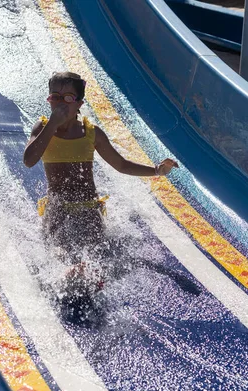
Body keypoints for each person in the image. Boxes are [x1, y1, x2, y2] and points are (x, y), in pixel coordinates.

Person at [23, 72, 178, 295]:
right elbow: (29, 160)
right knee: (58, 254)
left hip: (88, 209)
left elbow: (121, 165)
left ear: (79, 104)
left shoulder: (91, 133)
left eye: (67, 98)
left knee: (96, 257)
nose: (60, 103)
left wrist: (157, 171)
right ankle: (62, 278)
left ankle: (85, 276)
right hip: (57, 208)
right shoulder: (43, 128)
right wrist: (52, 125)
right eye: (54, 97)